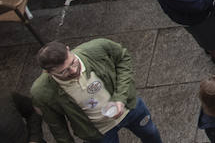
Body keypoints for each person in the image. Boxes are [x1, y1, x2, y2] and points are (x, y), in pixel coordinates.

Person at [32, 39, 164, 143]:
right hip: (98, 131)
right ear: (48, 72)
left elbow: (123, 58)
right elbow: (56, 125)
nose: (73, 70)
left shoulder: (97, 48)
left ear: (68, 49)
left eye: (73, 62)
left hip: (130, 109)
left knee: (150, 133)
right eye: (63, 71)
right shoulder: (41, 92)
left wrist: (120, 98)